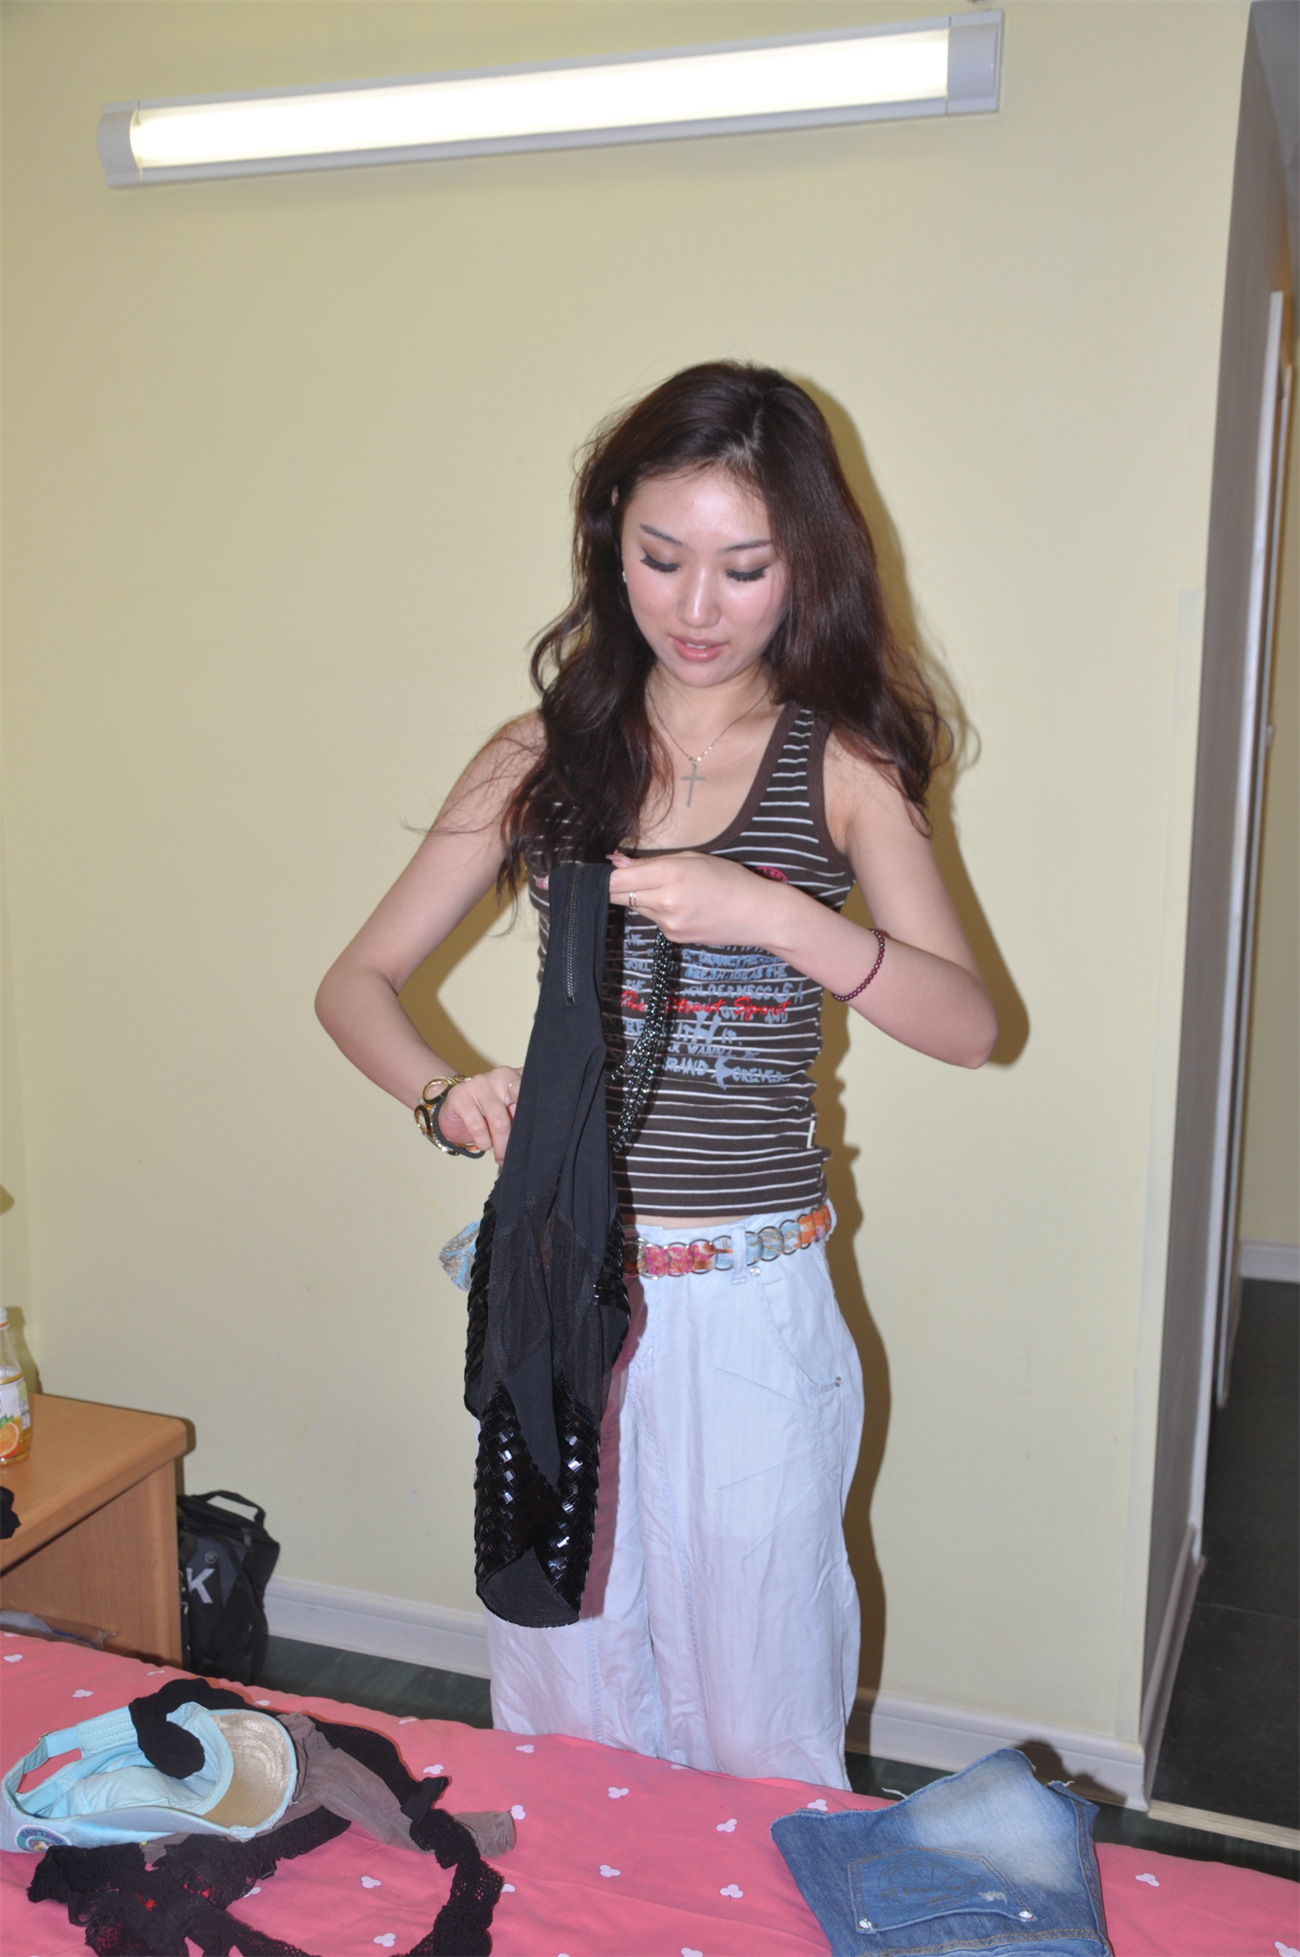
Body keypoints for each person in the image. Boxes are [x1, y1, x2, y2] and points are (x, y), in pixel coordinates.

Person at [315, 362, 997, 1790]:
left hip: (751, 1301)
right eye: (660, 556)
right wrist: (444, 1094)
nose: (697, 608)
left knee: (760, 1715)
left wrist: (780, 916)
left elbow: (966, 1025)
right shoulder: (539, 756)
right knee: (568, 1693)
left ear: (805, 566)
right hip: (563, 1289)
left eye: (745, 569)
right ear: (608, 536)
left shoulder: (841, 764)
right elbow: (356, 982)